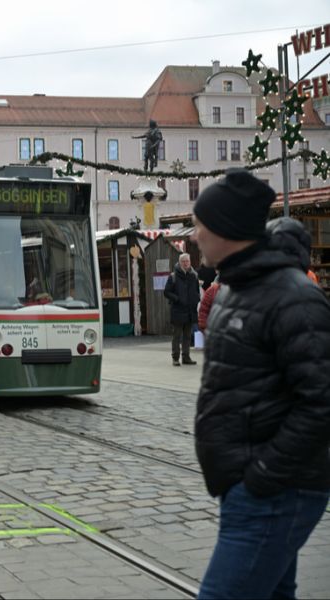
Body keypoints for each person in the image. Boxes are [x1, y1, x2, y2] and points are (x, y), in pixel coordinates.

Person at [191, 169, 330, 599]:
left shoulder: (293, 296)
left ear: (226, 229)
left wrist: (263, 473)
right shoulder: (233, 288)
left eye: (200, 225)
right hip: (249, 488)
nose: (194, 236)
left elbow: (321, 401)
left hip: (275, 488)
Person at [163, 252, 199, 366]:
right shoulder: (173, 276)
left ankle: (186, 357)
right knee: (177, 336)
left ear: (190, 262)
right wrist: (177, 299)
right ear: (179, 262)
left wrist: (196, 299)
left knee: (188, 336)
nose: (185, 263)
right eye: (183, 261)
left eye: (187, 261)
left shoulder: (194, 275)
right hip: (178, 310)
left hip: (190, 311)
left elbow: (197, 291)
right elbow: (166, 292)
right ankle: (175, 358)